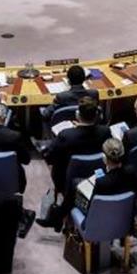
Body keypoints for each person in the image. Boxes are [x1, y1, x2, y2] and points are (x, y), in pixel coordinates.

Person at [37, 96, 111, 228]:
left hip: (66, 178)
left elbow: (50, 156)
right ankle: (60, 214)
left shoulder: (66, 135)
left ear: (77, 114)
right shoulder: (105, 131)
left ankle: (58, 214)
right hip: (96, 174)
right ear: (97, 115)